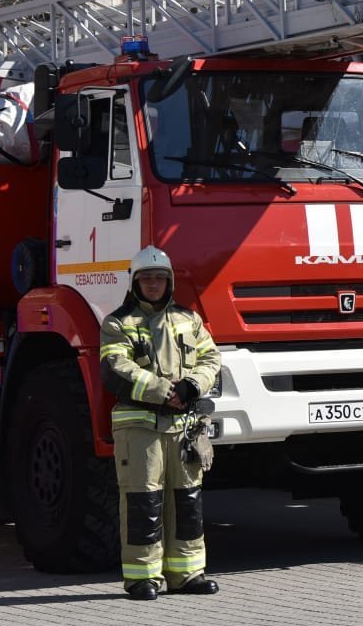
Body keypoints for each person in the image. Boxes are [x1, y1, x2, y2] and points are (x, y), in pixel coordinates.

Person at [100, 246, 221, 600]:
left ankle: (187, 574)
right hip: (139, 427)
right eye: (147, 279)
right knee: (143, 501)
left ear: (169, 282)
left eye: (160, 278)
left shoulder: (189, 319)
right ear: (134, 283)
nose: (153, 284)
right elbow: (115, 369)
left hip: (183, 427)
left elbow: (211, 357)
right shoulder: (117, 323)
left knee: (187, 500)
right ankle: (143, 577)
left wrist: (192, 386)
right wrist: (164, 390)